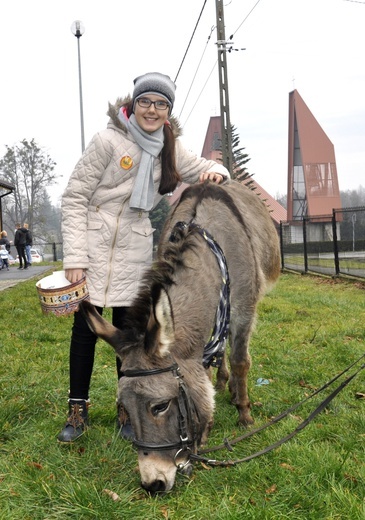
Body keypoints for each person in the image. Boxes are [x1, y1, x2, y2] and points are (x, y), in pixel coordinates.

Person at [58, 72, 230, 443]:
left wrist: (217, 171)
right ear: (133, 105)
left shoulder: (169, 146)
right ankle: (77, 408)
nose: (152, 110)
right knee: (85, 331)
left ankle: (128, 407)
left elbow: (201, 166)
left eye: (161, 104)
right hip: (92, 241)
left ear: (168, 112)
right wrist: (75, 257)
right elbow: (74, 197)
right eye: (145, 102)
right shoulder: (107, 141)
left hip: (134, 247)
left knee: (131, 334)